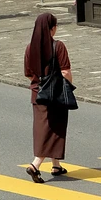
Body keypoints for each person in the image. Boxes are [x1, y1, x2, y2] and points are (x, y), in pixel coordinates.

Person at [23, 13, 72, 183]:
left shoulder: (30, 48)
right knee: (53, 129)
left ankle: (56, 165)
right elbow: (65, 71)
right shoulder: (58, 46)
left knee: (46, 128)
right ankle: (35, 164)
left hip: (37, 94)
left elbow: (28, 73)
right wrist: (68, 87)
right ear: (52, 29)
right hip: (55, 94)